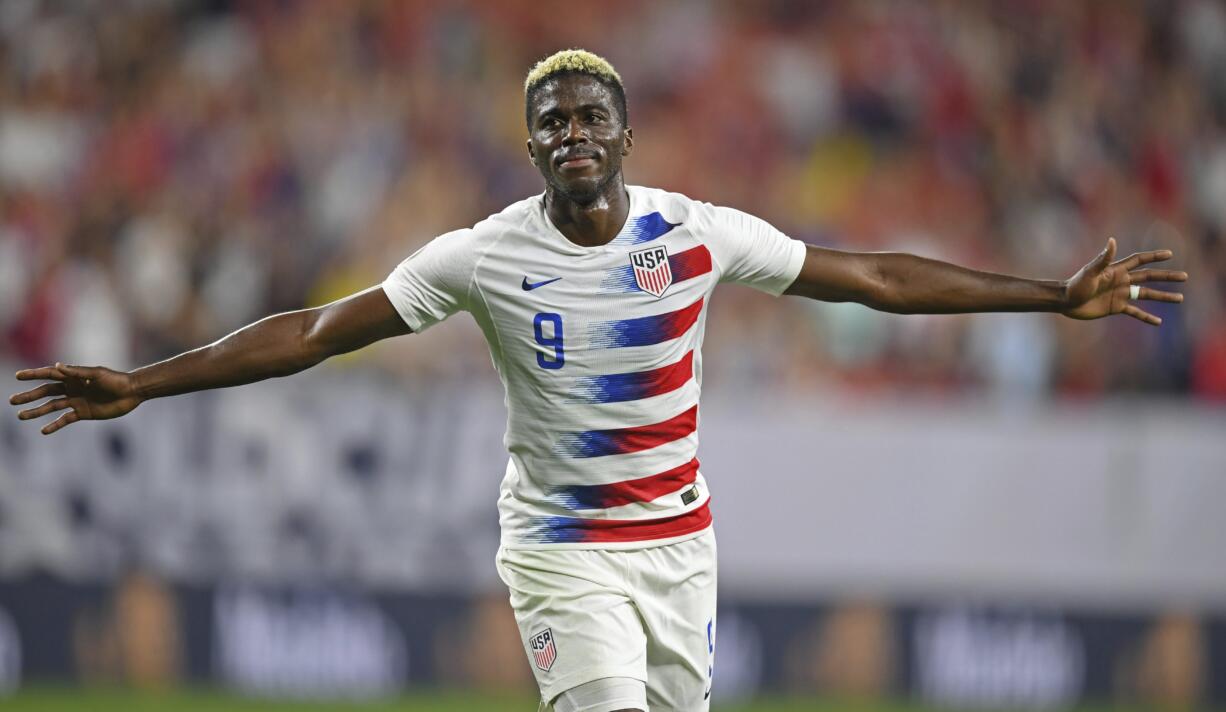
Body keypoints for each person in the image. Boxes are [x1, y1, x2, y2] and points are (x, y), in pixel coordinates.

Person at [8, 49, 1186, 712]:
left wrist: (1047, 294)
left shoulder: (696, 234)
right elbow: (317, 330)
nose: (570, 131)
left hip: (681, 546)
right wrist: (148, 384)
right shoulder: (481, 254)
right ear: (530, 150)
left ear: (623, 137)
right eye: (549, 121)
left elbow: (870, 274)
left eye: (589, 115)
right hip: (562, 549)